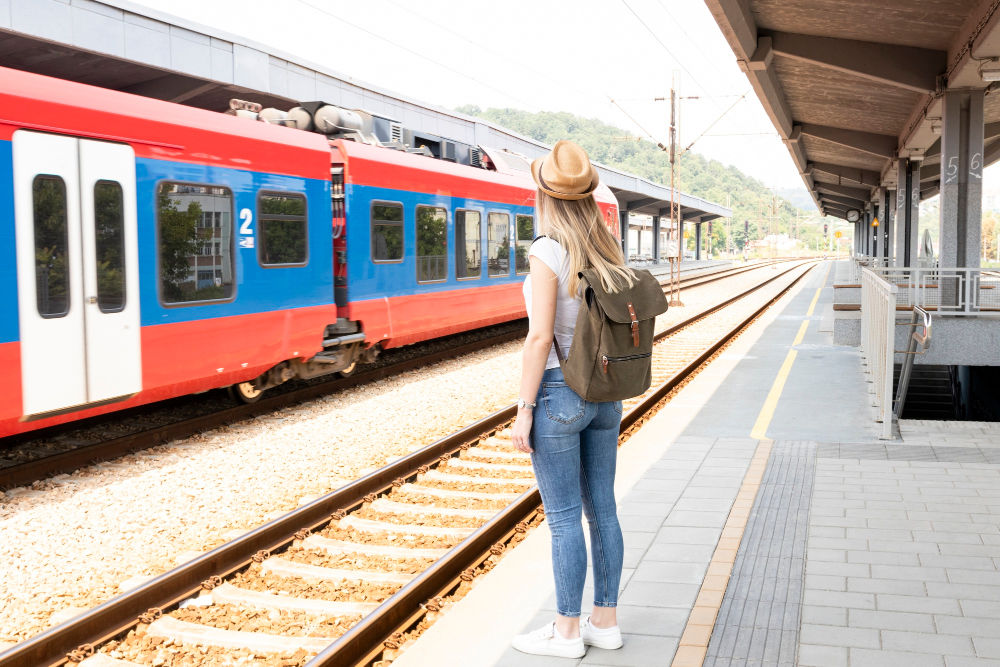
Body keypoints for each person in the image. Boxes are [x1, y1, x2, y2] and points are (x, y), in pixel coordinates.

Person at [510, 140, 633, 658]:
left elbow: (540, 339)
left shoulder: (546, 249)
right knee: (602, 508)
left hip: (561, 393)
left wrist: (524, 408)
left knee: (562, 517)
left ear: (545, 194)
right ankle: (603, 622)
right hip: (606, 396)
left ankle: (565, 632)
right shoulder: (607, 247)